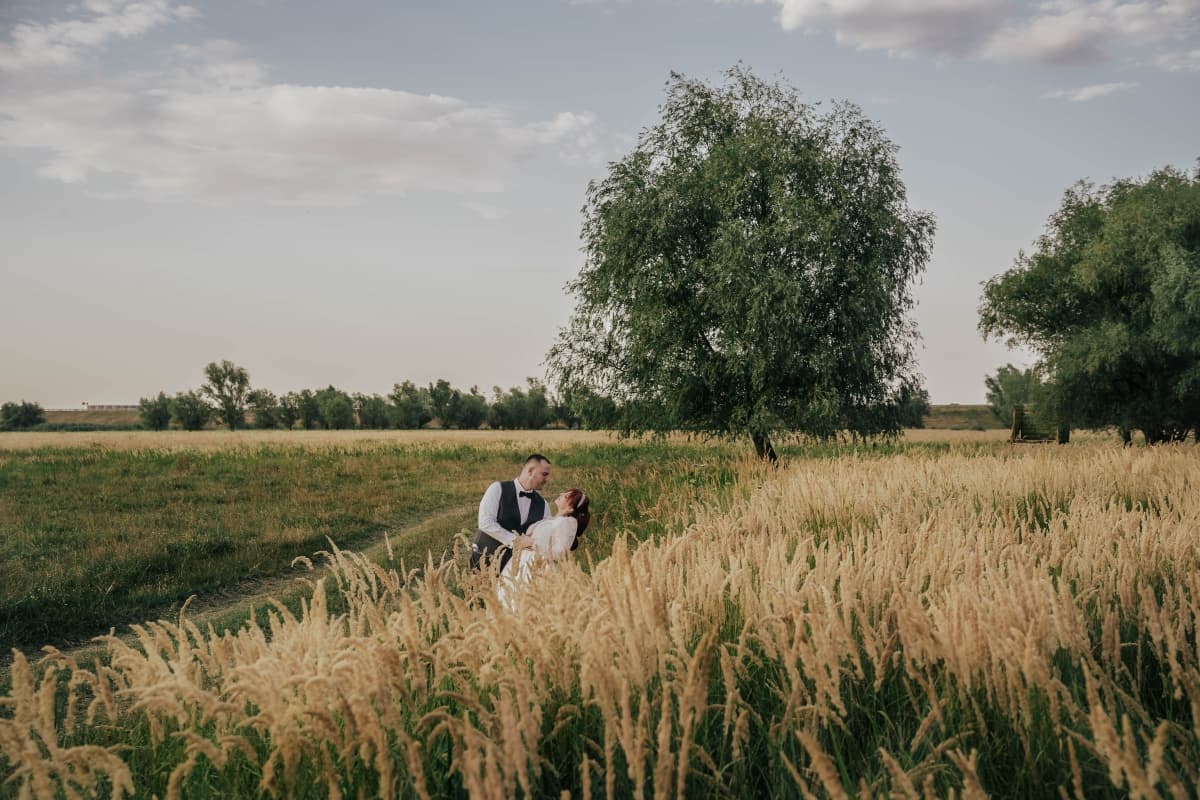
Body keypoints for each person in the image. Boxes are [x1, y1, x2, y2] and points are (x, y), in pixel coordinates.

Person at [496, 488, 589, 609]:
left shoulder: (568, 522)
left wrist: (532, 542)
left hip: (540, 568)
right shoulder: (551, 519)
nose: (561, 494)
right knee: (508, 601)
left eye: (566, 496)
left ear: (571, 509)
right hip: (523, 564)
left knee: (526, 605)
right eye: (564, 492)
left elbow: (560, 553)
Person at [471, 453, 552, 572]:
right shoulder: (497, 489)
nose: (547, 479)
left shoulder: (543, 504)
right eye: (544, 474)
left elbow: (545, 535)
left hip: (517, 571)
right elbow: (485, 523)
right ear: (530, 471)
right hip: (484, 560)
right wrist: (516, 541)